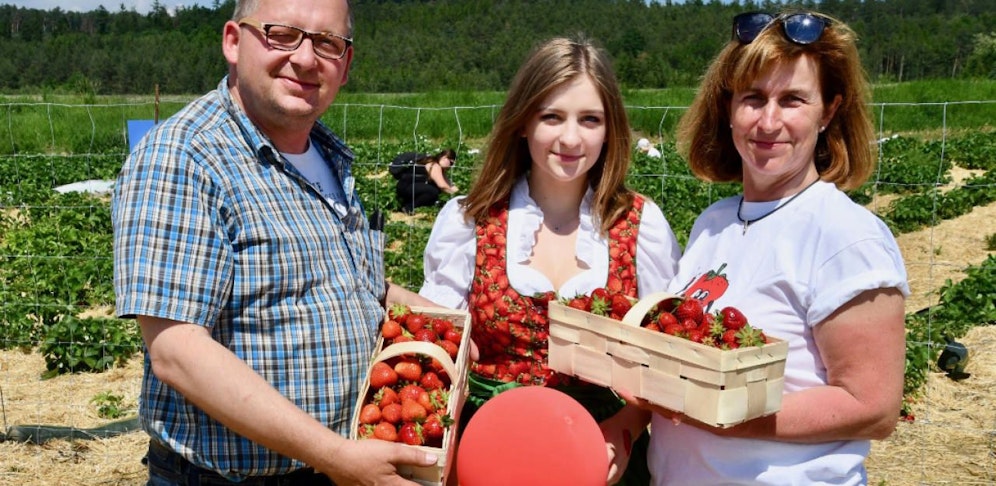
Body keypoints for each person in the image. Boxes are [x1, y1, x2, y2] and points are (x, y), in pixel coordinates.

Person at [112, 0, 439, 484]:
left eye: (328, 43)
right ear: (232, 40)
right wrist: (334, 455)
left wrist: (446, 324)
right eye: (282, 34)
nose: (306, 59)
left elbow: (355, 284)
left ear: (345, 65)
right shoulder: (184, 156)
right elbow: (176, 349)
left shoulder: (327, 153)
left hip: (341, 461)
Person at [619, 10, 909, 485]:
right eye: (753, 98)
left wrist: (711, 413)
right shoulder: (712, 225)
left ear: (829, 111)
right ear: (729, 108)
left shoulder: (844, 235)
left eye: (792, 99)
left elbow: (871, 406)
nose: (768, 121)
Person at [418, 35, 682, 485]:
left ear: (609, 129)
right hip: (491, 452)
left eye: (590, 119)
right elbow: (439, 348)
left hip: (600, 460)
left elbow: (666, 363)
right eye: (552, 117)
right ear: (523, 123)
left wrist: (627, 426)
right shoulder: (471, 220)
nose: (571, 138)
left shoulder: (641, 224)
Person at [394, 148, 459, 213]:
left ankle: (407, 203)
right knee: (432, 191)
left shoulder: (437, 165)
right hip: (406, 186)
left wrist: (459, 193)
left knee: (434, 189)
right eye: (451, 163)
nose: (451, 166)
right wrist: (458, 197)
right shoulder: (434, 165)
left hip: (409, 186)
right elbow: (442, 185)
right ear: (445, 158)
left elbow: (448, 184)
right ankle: (408, 207)